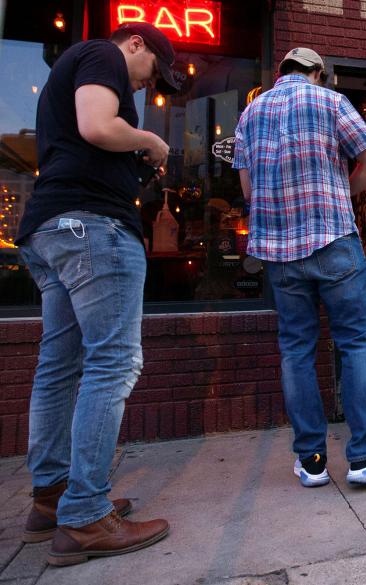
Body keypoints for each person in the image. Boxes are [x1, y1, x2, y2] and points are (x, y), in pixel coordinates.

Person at [14, 23, 177, 566]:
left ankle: (52, 497)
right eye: (153, 70)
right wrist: (150, 141)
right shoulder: (103, 54)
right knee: (113, 362)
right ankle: (85, 516)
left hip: (54, 227)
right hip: (92, 229)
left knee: (59, 365)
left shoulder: (79, 67)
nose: (145, 85)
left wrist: (134, 168)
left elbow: (88, 140)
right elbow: (97, 126)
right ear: (137, 45)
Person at [233, 47, 366, 488]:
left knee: (296, 350)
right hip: (333, 241)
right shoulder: (330, 101)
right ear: (316, 73)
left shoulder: (250, 114)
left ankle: (311, 461)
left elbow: (249, 189)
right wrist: (341, 193)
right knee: (356, 344)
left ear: (281, 73)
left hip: (279, 253)